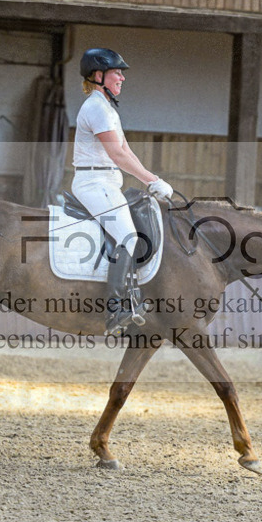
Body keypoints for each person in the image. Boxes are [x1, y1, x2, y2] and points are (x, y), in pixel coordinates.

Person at [72, 47, 173, 336]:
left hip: (106, 182)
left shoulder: (107, 108)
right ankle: (117, 308)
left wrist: (151, 180)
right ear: (99, 75)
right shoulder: (96, 107)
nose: (122, 78)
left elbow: (127, 151)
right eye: (118, 72)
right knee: (128, 238)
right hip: (94, 184)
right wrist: (152, 180)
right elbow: (117, 155)